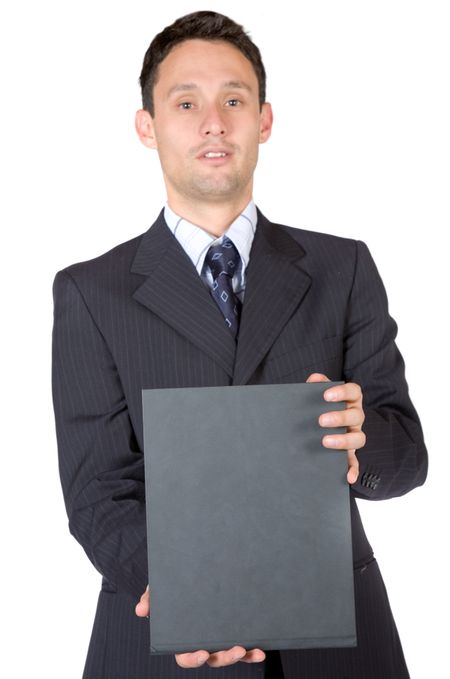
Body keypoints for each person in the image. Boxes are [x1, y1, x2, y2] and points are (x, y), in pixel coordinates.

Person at [52, 10, 427, 679]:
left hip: (337, 643)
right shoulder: (92, 292)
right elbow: (97, 493)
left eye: (234, 100)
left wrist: (356, 441)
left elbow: (407, 457)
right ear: (148, 126)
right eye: (186, 102)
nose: (213, 122)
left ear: (265, 120)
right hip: (163, 641)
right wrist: (188, 602)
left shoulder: (342, 269)